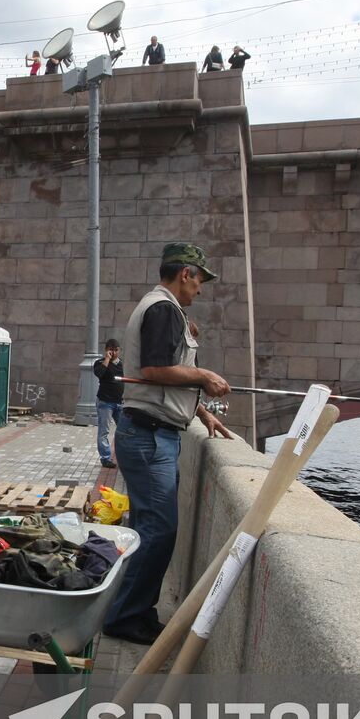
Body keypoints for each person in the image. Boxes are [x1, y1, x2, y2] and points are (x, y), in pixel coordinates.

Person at [104, 243, 234, 645]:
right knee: (158, 531)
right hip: (147, 437)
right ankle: (124, 617)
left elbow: (160, 382)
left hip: (154, 433)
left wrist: (200, 411)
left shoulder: (163, 308)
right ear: (186, 274)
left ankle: (136, 612)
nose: (201, 289)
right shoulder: (162, 309)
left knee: (153, 529)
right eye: (200, 280)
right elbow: (155, 370)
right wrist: (203, 377)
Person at [93, 339, 124, 469]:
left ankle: (123, 457)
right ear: (106, 350)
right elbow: (99, 373)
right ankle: (105, 458)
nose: (114, 353)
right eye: (111, 350)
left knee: (123, 430)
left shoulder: (121, 364)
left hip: (119, 403)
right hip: (105, 402)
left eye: (116, 350)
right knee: (104, 431)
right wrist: (107, 359)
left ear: (119, 350)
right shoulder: (100, 363)